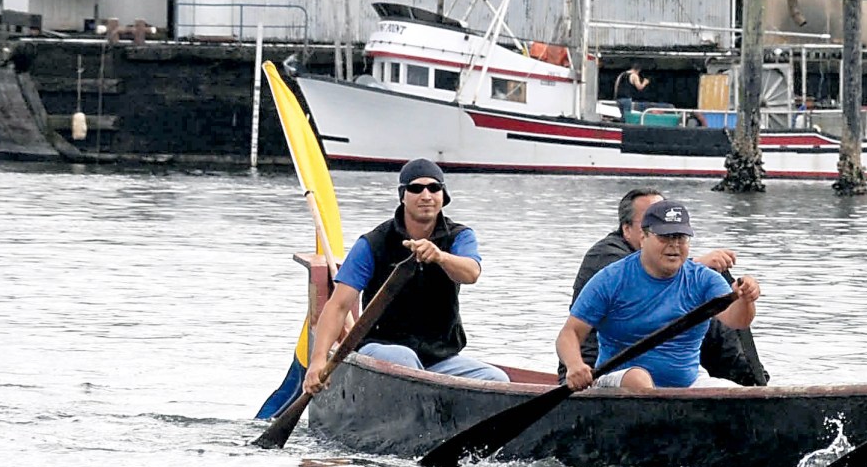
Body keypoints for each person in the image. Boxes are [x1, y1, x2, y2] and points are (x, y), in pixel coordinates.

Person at [304, 158, 509, 393]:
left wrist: (441, 257)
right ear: (403, 196)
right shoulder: (373, 243)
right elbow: (338, 306)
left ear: (443, 196)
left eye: (434, 188)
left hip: (438, 358)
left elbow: (471, 273)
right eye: (416, 188)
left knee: (497, 379)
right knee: (404, 357)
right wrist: (318, 360)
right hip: (381, 349)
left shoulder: (459, 237)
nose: (426, 196)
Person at [559, 198, 761, 393]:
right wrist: (575, 365)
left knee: (738, 394)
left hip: (688, 381)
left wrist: (746, 299)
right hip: (616, 380)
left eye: (681, 237)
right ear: (643, 237)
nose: (674, 245)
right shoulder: (612, 278)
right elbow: (569, 333)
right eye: (665, 236)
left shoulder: (704, 279)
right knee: (638, 379)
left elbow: (738, 321)